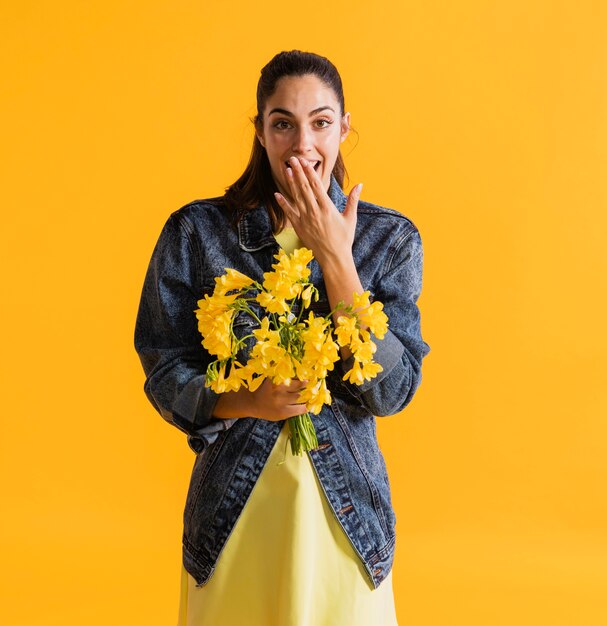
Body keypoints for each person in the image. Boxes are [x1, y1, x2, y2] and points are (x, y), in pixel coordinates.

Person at [134, 49, 431, 626]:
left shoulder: (389, 240)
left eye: (321, 122)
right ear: (260, 130)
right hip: (234, 514)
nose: (302, 144)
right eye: (282, 123)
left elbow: (392, 392)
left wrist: (336, 259)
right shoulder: (196, 231)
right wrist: (248, 402)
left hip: (347, 520)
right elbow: (164, 364)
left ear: (344, 126)